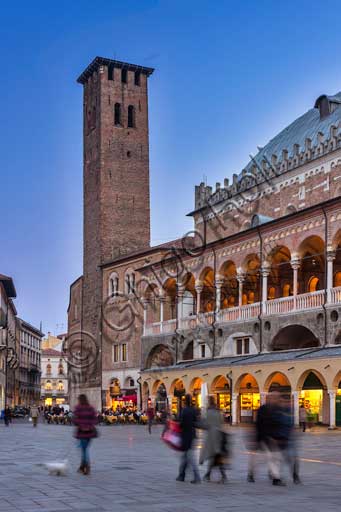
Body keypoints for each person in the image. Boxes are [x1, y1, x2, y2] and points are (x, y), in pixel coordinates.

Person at [200, 396, 228, 483]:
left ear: (208, 402)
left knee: (214, 456)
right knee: (216, 455)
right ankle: (210, 475)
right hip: (218, 435)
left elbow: (205, 424)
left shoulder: (208, 412)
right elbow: (222, 422)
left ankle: (211, 475)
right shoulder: (218, 411)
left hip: (211, 436)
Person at [176, 394, 201, 484]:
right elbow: (196, 422)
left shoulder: (184, 410)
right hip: (192, 434)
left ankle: (196, 476)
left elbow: (181, 423)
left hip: (185, 435)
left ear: (184, 401)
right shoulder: (193, 410)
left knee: (189, 457)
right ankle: (181, 475)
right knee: (186, 456)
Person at [73, 394, 98, 475]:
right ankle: (82, 466)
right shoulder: (91, 408)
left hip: (81, 431)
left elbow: (75, 420)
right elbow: (95, 419)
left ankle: (87, 466)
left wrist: (81, 425)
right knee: (85, 449)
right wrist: (89, 426)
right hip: (90, 432)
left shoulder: (78, 408)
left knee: (84, 450)